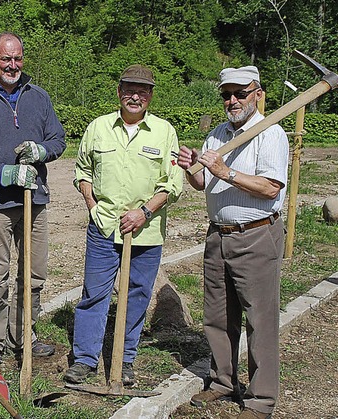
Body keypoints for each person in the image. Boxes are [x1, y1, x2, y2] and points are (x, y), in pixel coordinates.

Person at [177, 66, 288, 419]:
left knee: (260, 320)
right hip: (218, 235)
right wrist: (191, 166)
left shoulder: (271, 133)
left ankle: (261, 399)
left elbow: (271, 187)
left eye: (240, 93)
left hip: (256, 234)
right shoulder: (216, 135)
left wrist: (228, 172)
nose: (233, 100)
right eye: (227, 94)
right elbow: (200, 183)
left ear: (257, 93)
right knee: (218, 316)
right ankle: (223, 382)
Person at [63, 64, 183, 386]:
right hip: (103, 228)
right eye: (129, 89)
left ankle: (124, 357)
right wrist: (92, 205)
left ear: (150, 96)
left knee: (137, 295)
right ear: (119, 92)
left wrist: (144, 212)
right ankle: (86, 358)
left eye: (142, 90)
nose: (135, 96)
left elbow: (173, 183)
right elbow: (82, 171)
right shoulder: (99, 128)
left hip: (145, 231)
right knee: (94, 293)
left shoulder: (164, 132)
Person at [0, 32, 66, 365]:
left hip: (35, 200)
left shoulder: (39, 97)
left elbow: (59, 139)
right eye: (6, 59)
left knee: (33, 273)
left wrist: (42, 150)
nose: (13, 65)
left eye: (17, 58)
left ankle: (23, 335)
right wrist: (5, 172)